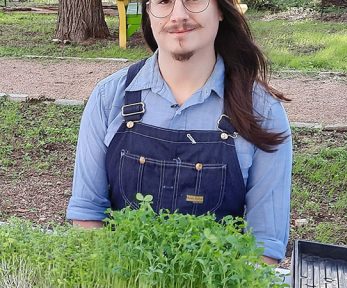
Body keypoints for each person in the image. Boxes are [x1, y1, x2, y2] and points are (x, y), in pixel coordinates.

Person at [66, 0, 292, 264]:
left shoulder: (263, 111)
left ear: (220, 9)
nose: (179, 15)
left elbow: (263, 247)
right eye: (163, 1)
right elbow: (87, 213)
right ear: (148, 12)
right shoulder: (109, 98)